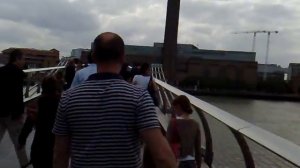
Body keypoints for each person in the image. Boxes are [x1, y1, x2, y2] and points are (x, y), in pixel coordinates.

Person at [53, 32, 176, 168]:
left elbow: (60, 154)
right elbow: (161, 156)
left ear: (93, 57)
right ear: (123, 58)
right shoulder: (139, 97)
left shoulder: (68, 98)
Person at [19, 76, 61, 168]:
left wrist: (22, 140)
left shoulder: (37, 103)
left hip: (39, 146)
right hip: (55, 146)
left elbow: (28, 124)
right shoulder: (62, 103)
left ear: (43, 87)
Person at [0, 49, 29, 168]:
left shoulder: (1, 71)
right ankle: (24, 164)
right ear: (17, 59)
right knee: (19, 143)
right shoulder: (18, 73)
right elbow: (17, 96)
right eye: (23, 59)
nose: (24, 61)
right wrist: (20, 113)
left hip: (0, 111)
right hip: (13, 115)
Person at [167, 95, 202, 168]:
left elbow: (167, 144)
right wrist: (198, 164)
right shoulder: (195, 124)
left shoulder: (173, 122)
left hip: (177, 162)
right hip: (191, 162)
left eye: (175, 108)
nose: (174, 111)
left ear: (179, 107)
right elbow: (197, 149)